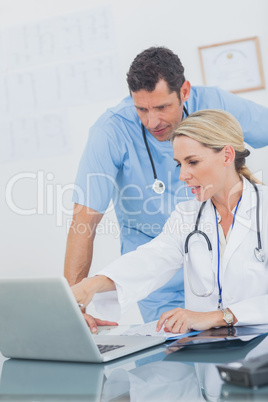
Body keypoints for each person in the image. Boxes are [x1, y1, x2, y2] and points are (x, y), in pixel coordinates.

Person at [64, 46, 268, 330]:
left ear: (227, 154)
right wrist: (81, 294)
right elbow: (149, 258)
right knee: (169, 357)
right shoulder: (186, 216)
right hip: (163, 290)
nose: (152, 121)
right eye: (141, 109)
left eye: (161, 107)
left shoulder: (217, 105)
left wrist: (221, 317)